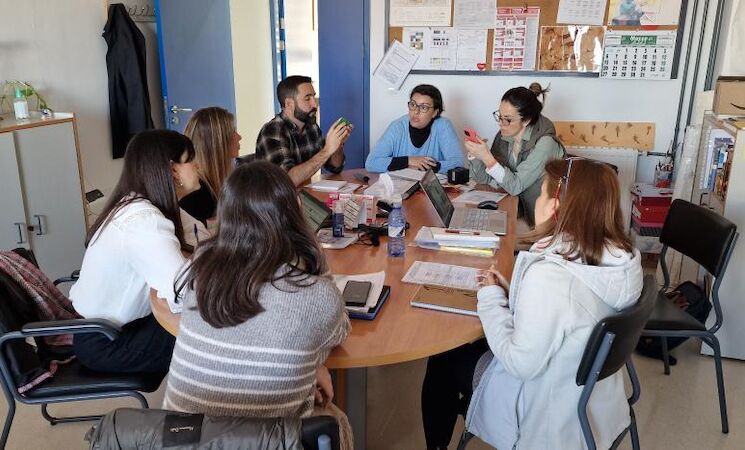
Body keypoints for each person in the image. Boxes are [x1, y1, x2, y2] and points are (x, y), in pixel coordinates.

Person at [421, 158, 643, 450]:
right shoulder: (618, 262)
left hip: (546, 409)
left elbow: (520, 363)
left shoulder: (550, 278)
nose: (536, 200)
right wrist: (513, 292)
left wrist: (490, 298)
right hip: (592, 402)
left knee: (442, 359)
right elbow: (570, 310)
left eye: (540, 193)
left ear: (554, 206)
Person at [163, 161, 352, 447]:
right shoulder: (317, 296)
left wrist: (309, 365)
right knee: (336, 419)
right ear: (296, 212)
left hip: (181, 439)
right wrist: (312, 248)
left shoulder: (199, 269)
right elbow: (339, 332)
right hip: (264, 441)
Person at [70, 130, 200, 374]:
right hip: (109, 342)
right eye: (190, 159)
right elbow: (182, 291)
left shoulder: (138, 204)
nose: (197, 165)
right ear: (173, 170)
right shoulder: (144, 221)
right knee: (214, 338)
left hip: (108, 331)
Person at [467, 82, 565, 227]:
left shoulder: (545, 144)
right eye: (499, 116)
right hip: (520, 212)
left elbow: (515, 186)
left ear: (526, 120)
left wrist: (487, 157)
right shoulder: (504, 136)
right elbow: (485, 178)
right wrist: (475, 155)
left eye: (507, 119)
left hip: (545, 224)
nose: (501, 124)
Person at [255, 75, 352, 186]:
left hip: (302, 192)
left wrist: (337, 145)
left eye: (314, 97)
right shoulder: (273, 132)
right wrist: (327, 150)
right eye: (307, 99)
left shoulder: (311, 127)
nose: (314, 104)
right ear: (289, 104)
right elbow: (287, 181)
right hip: (276, 196)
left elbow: (335, 167)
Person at [365, 84, 464, 174]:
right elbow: (371, 163)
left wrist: (422, 166)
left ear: (435, 112)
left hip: (430, 185)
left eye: (423, 107)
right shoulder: (397, 126)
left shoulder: (443, 126)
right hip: (400, 185)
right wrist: (409, 161)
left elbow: (458, 163)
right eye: (413, 104)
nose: (416, 112)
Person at [180, 106, 242, 224]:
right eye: (233, 131)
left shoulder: (214, 185)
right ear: (217, 142)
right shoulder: (197, 198)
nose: (239, 137)